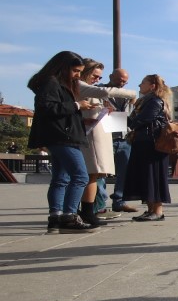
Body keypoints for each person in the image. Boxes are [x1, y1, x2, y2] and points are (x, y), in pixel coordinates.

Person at [28, 51, 97, 232]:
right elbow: (47, 107)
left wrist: (80, 116)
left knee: (61, 178)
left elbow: (56, 111)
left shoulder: (54, 83)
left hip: (59, 134)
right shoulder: (51, 82)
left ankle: (56, 217)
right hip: (62, 137)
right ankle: (69, 216)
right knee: (80, 176)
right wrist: (77, 105)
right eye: (75, 70)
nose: (77, 75)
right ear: (63, 67)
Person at [75, 58, 137, 226]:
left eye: (125, 82)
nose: (97, 79)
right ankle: (91, 209)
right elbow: (106, 92)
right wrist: (133, 94)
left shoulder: (92, 89)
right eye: (95, 76)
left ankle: (96, 208)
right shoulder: (90, 88)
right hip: (95, 136)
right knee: (92, 174)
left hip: (116, 135)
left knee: (97, 174)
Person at [122, 73, 173, 221]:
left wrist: (124, 118)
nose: (139, 86)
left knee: (153, 176)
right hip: (145, 143)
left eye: (142, 83)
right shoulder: (145, 101)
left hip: (153, 145)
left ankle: (157, 211)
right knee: (147, 176)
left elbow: (141, 120)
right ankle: (151, 209)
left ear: (152, 86)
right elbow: (134, 120)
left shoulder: (155, 101)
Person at [104, 68, 137, 213]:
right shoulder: (100, 92)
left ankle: (119, 201)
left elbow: (131, 116)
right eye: (119, 80)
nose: (122, 83)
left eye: (124, 81)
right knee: (100, 172)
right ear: (111, 77)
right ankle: (98, 202)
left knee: (125, 173)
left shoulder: (127, 96)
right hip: (106, 137)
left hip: (124, 138)